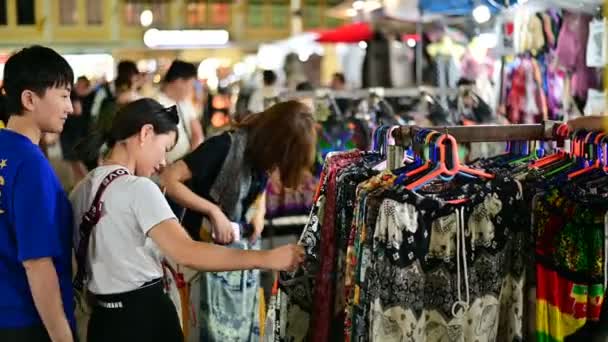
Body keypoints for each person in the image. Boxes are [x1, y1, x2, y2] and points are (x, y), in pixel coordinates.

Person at [70, 98, 305, 342]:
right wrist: (266, 258)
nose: (162, 162)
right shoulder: (139, 189)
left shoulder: (83, 188)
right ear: (146, 133)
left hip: (103, 322)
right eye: (165, 148)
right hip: (144, 319)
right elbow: (188, 252)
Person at [160, 100, 316, 341]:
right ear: (276, 143)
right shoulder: (223, 147)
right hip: (204, 260)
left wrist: (259, 214)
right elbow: (169, 180)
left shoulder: (262, 158)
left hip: (239, 263)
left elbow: (259, 187)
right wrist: (213, 211)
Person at [0, 45, 75, 342]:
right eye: (64, 95)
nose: (70, 107)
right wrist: (62, 336)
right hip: (28, 320)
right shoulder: (30, 164)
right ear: (29, 99)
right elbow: (37, 262)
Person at [155, 60, 204, 164]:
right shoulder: (155, 103)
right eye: (190, 85)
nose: (191, 90)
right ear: (178, 81)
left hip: (185, 163)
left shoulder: (185, 102)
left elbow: (197, 133)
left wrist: (189, 162)